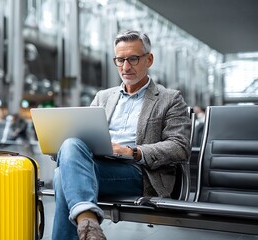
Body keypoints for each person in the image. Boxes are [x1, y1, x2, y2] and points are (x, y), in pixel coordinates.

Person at [52, 30, 191, 240]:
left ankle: (87, 223)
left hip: (138, 173)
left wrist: (132, 152)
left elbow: (180, 147)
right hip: (98, 164)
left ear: (149, 59)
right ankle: (87, 223)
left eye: (133, 59)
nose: (125, 67)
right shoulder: (103, 97)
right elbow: (80, 137)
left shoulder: (169, 99)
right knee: (71, 144)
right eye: (120, 60)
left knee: (61, 176)